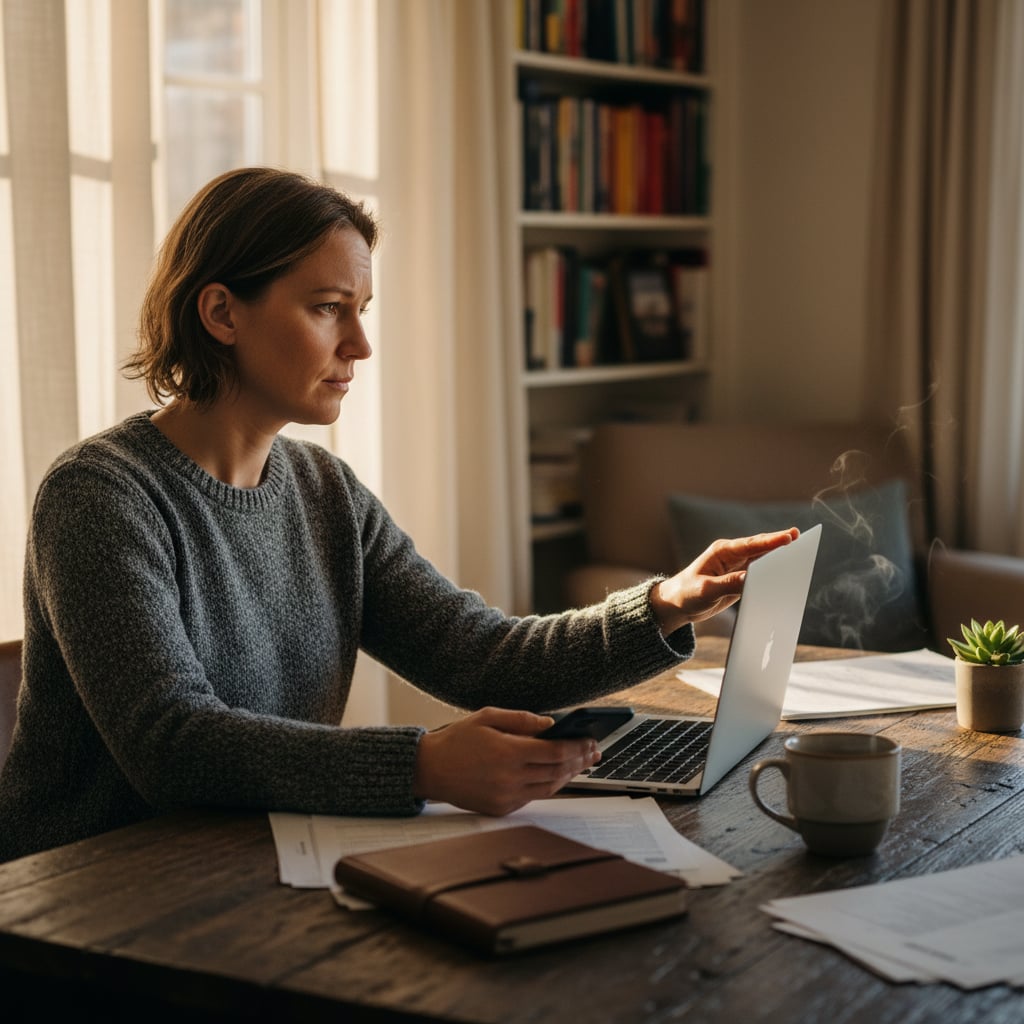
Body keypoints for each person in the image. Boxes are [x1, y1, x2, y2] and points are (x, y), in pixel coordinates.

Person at [0, 167, 797, 863]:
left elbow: (484, 656)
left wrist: (663, 604)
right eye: (327, 309)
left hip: (247, 858)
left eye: (363, 309)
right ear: (221, 314)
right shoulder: (99, 495)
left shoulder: (324, 491)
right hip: (83, 895)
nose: (360, 345)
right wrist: (421, 765)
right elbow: (171, 745)